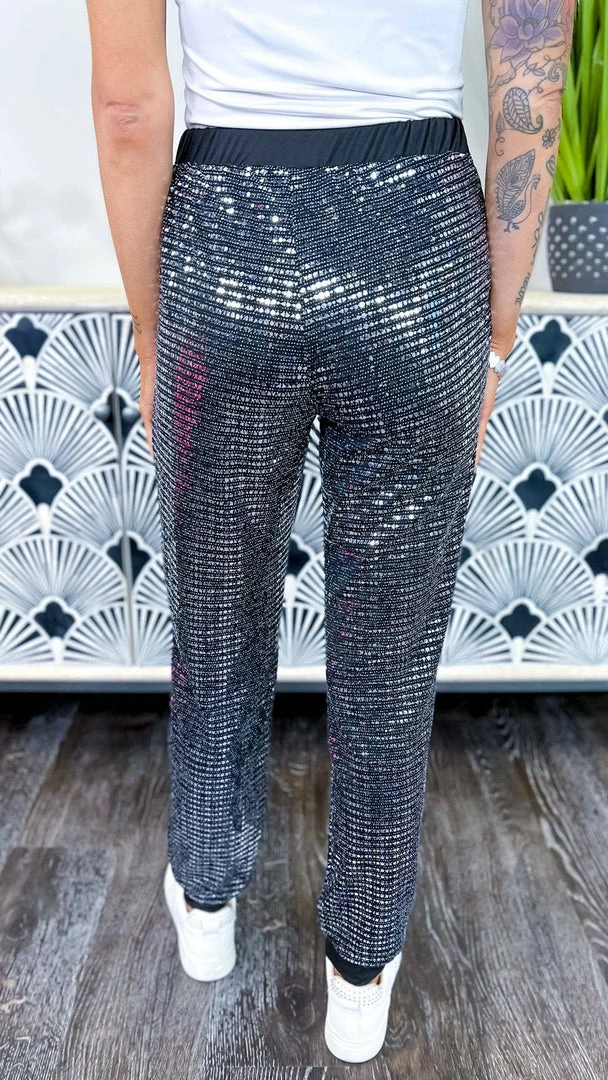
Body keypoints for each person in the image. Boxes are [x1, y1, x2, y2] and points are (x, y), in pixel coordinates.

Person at [86, 0, 574, 1063]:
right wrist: (493, 331)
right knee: (390, 641)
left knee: (216, 607)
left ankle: (206, 900)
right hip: (421, 237)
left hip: (224, 233)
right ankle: (362, 967)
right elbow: (531, 72)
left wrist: (154, 330)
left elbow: (127, 107)